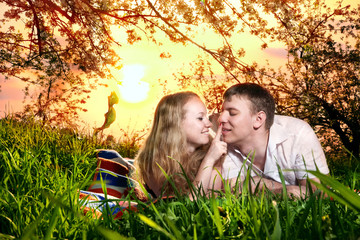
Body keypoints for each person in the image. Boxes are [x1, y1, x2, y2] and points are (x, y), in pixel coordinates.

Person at [216, 83, 329, 197]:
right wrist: (284, 191)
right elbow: (233, 192)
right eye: (222, 111)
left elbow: (321, 194)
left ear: (258, 119)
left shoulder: (298, 134)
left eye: (233, 113)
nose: (221, 118)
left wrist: (256, 184)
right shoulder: (223, 143)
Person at [135, 91, 226, 198]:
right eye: (200, 118)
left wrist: (211, 160)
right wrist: (209, 160)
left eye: (206, 117)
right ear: (176, 124)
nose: (209, 124)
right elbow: (184, 210)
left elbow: (210, 206)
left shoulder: (214, 154)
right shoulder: (152, 161)